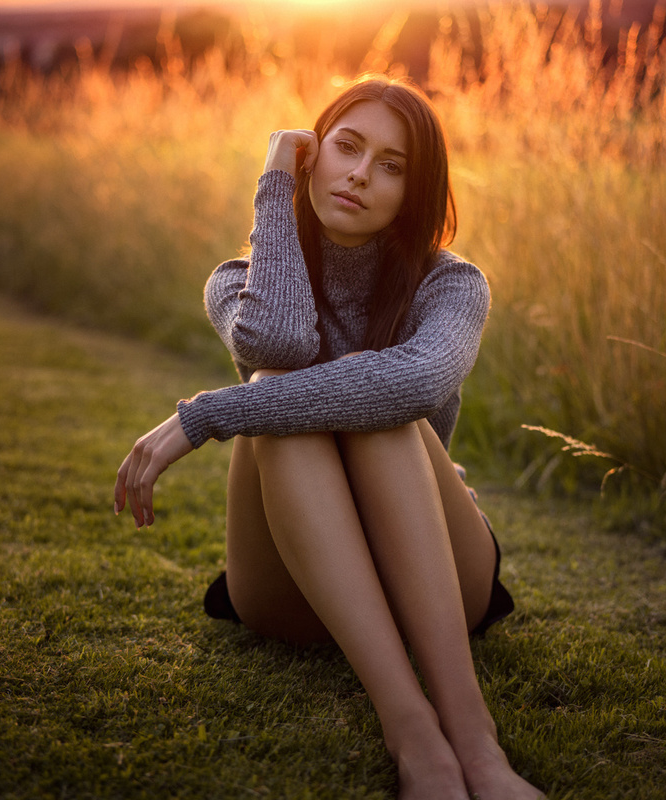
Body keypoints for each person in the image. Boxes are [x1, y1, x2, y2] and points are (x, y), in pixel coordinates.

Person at [114, 74, 543, 800]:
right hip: (292, 591)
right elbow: (275, 337)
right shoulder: (237, 281)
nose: (360, 174)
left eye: (392, 165)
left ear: (415, 192)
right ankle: (414, 739)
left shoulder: (453, 284)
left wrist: (203, 416)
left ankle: (476, 743)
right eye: (345, 147)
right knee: (276, 387)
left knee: (377, 404)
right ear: (313, 158)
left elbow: (413, 385)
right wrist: (275, 180)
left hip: (438, 580)